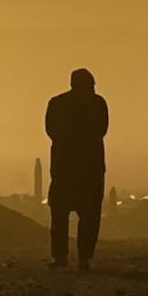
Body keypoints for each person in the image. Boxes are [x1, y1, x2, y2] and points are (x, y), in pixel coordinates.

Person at [45, 67, 109, 271]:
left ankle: (63, 257)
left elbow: (52, 131)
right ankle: (82, 258)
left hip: (66, 168)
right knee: (86, 217)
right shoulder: (98, 104)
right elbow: (101, 130)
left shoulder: (57, 104)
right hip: (87, 169)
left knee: (62, 215)